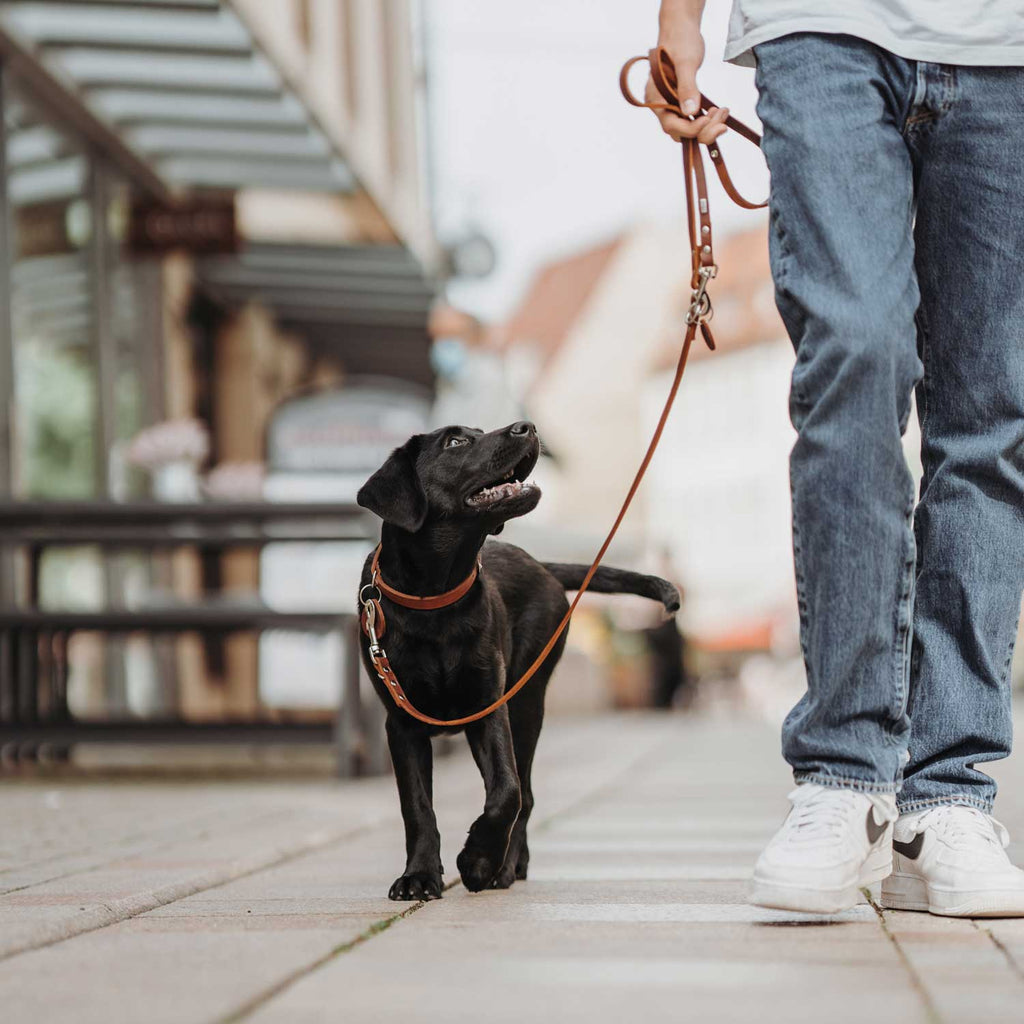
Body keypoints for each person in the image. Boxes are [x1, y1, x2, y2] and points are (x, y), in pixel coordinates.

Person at [649, 0, 1024, 916]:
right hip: (818, 24)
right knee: (857, 353)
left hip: (1007, 47)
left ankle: (949, 797)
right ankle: (843, 777)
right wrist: (679, 19)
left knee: (989, 412)